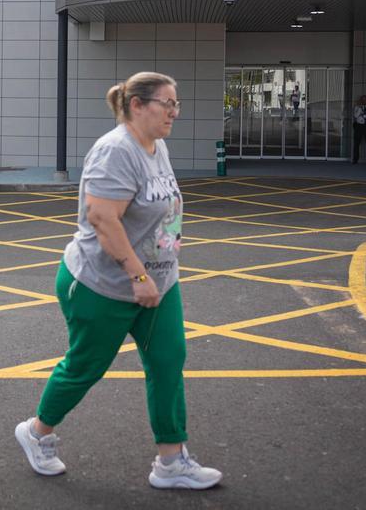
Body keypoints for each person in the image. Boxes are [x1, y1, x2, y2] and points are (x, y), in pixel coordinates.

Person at [14, 71, 221, 490]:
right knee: (85, 368)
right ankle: (37, 432)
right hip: (102, 284)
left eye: (176, 104)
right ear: (137, 105)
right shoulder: (115, 151)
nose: (174, 113)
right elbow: (102, 219)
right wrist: (139, 275)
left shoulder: (156, 146)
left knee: (167, 362)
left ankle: (171, 461)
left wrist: (158, 271)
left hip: (158, 282)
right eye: (167, 104)